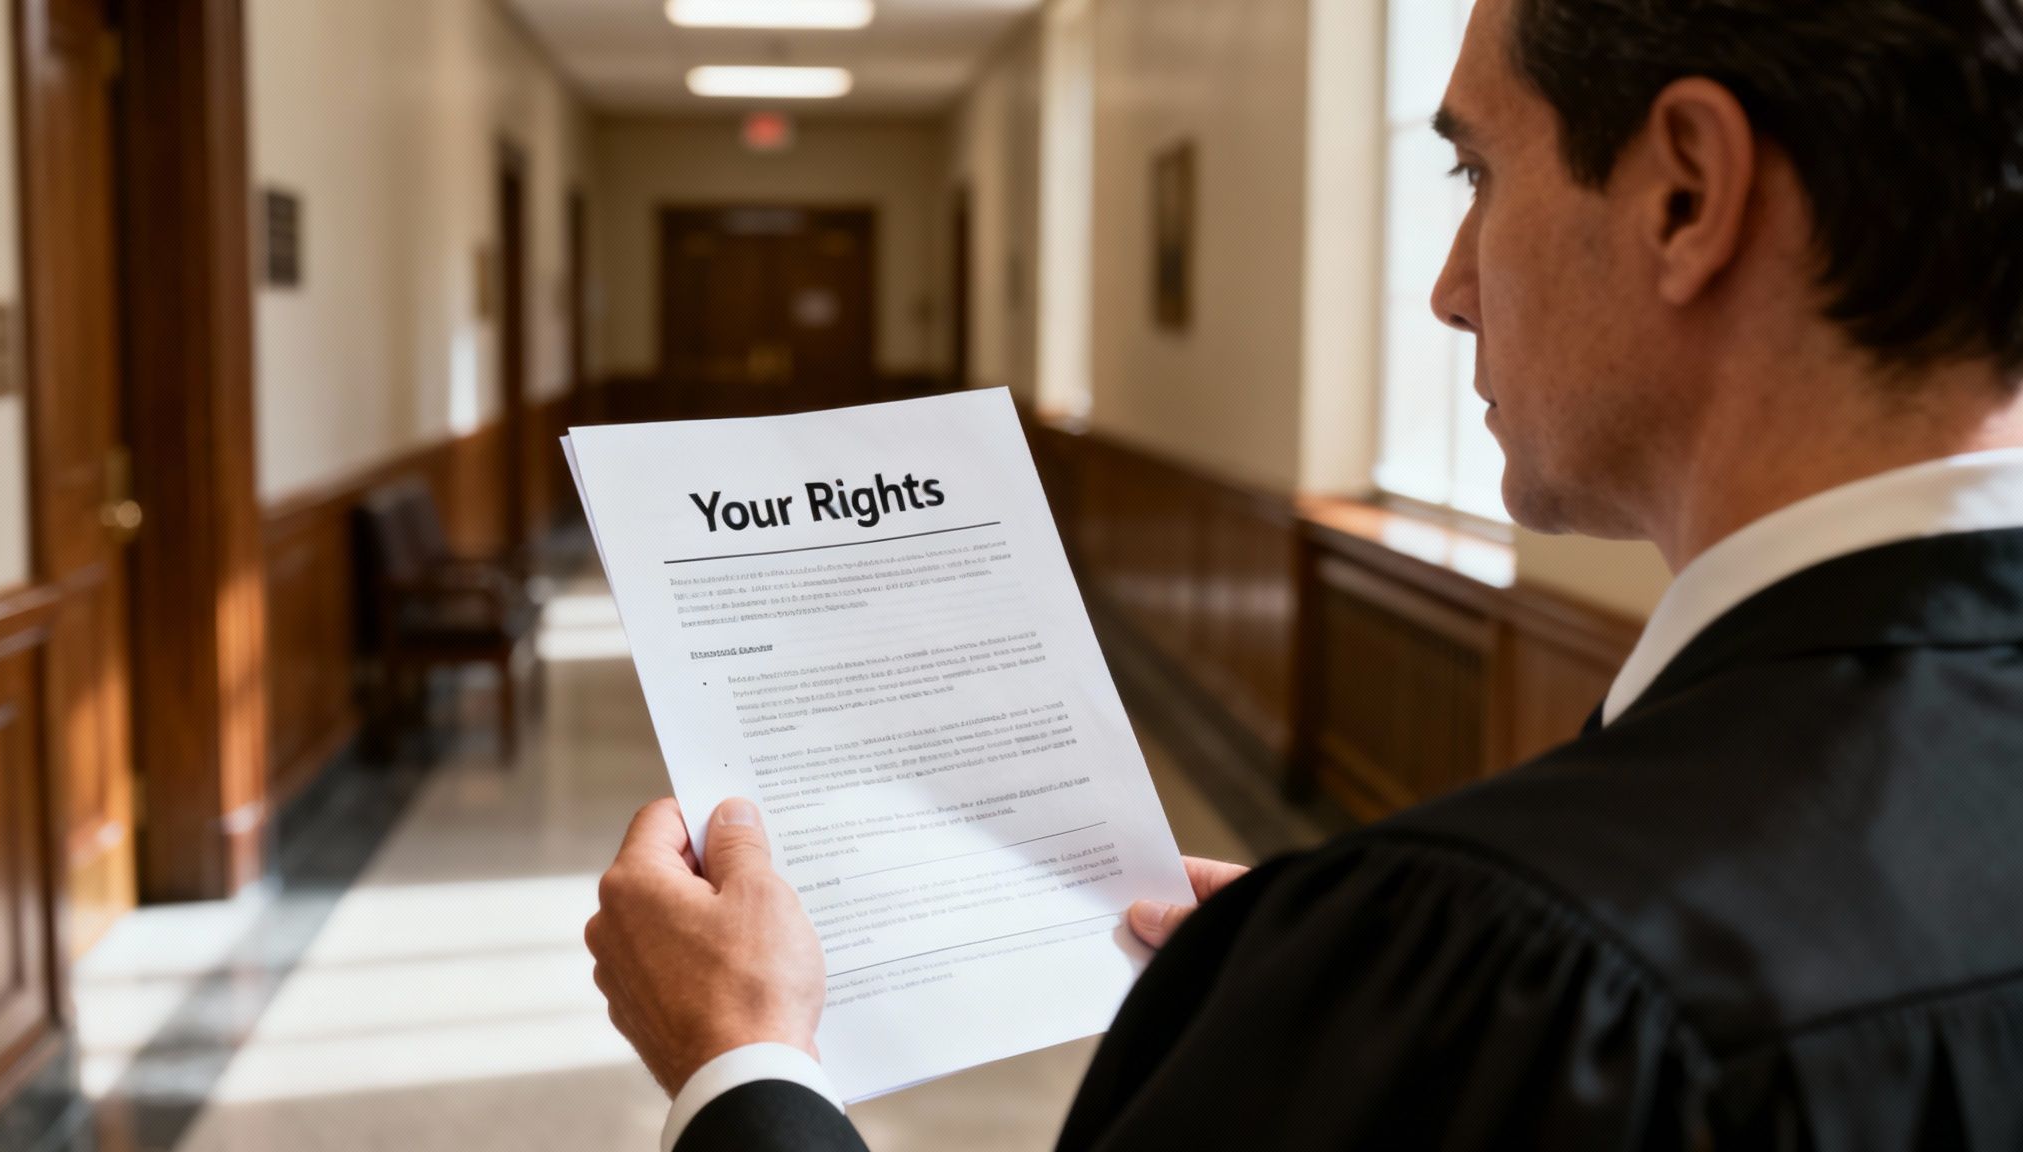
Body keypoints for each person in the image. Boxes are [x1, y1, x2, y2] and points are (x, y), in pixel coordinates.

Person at [584, 0, 2023, 1146]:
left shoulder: (1514, 978)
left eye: (1479, 171)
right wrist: (1337, 991)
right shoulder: (1463, 964)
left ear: (1686, 193)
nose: (1450, 286)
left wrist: (744, 1070)